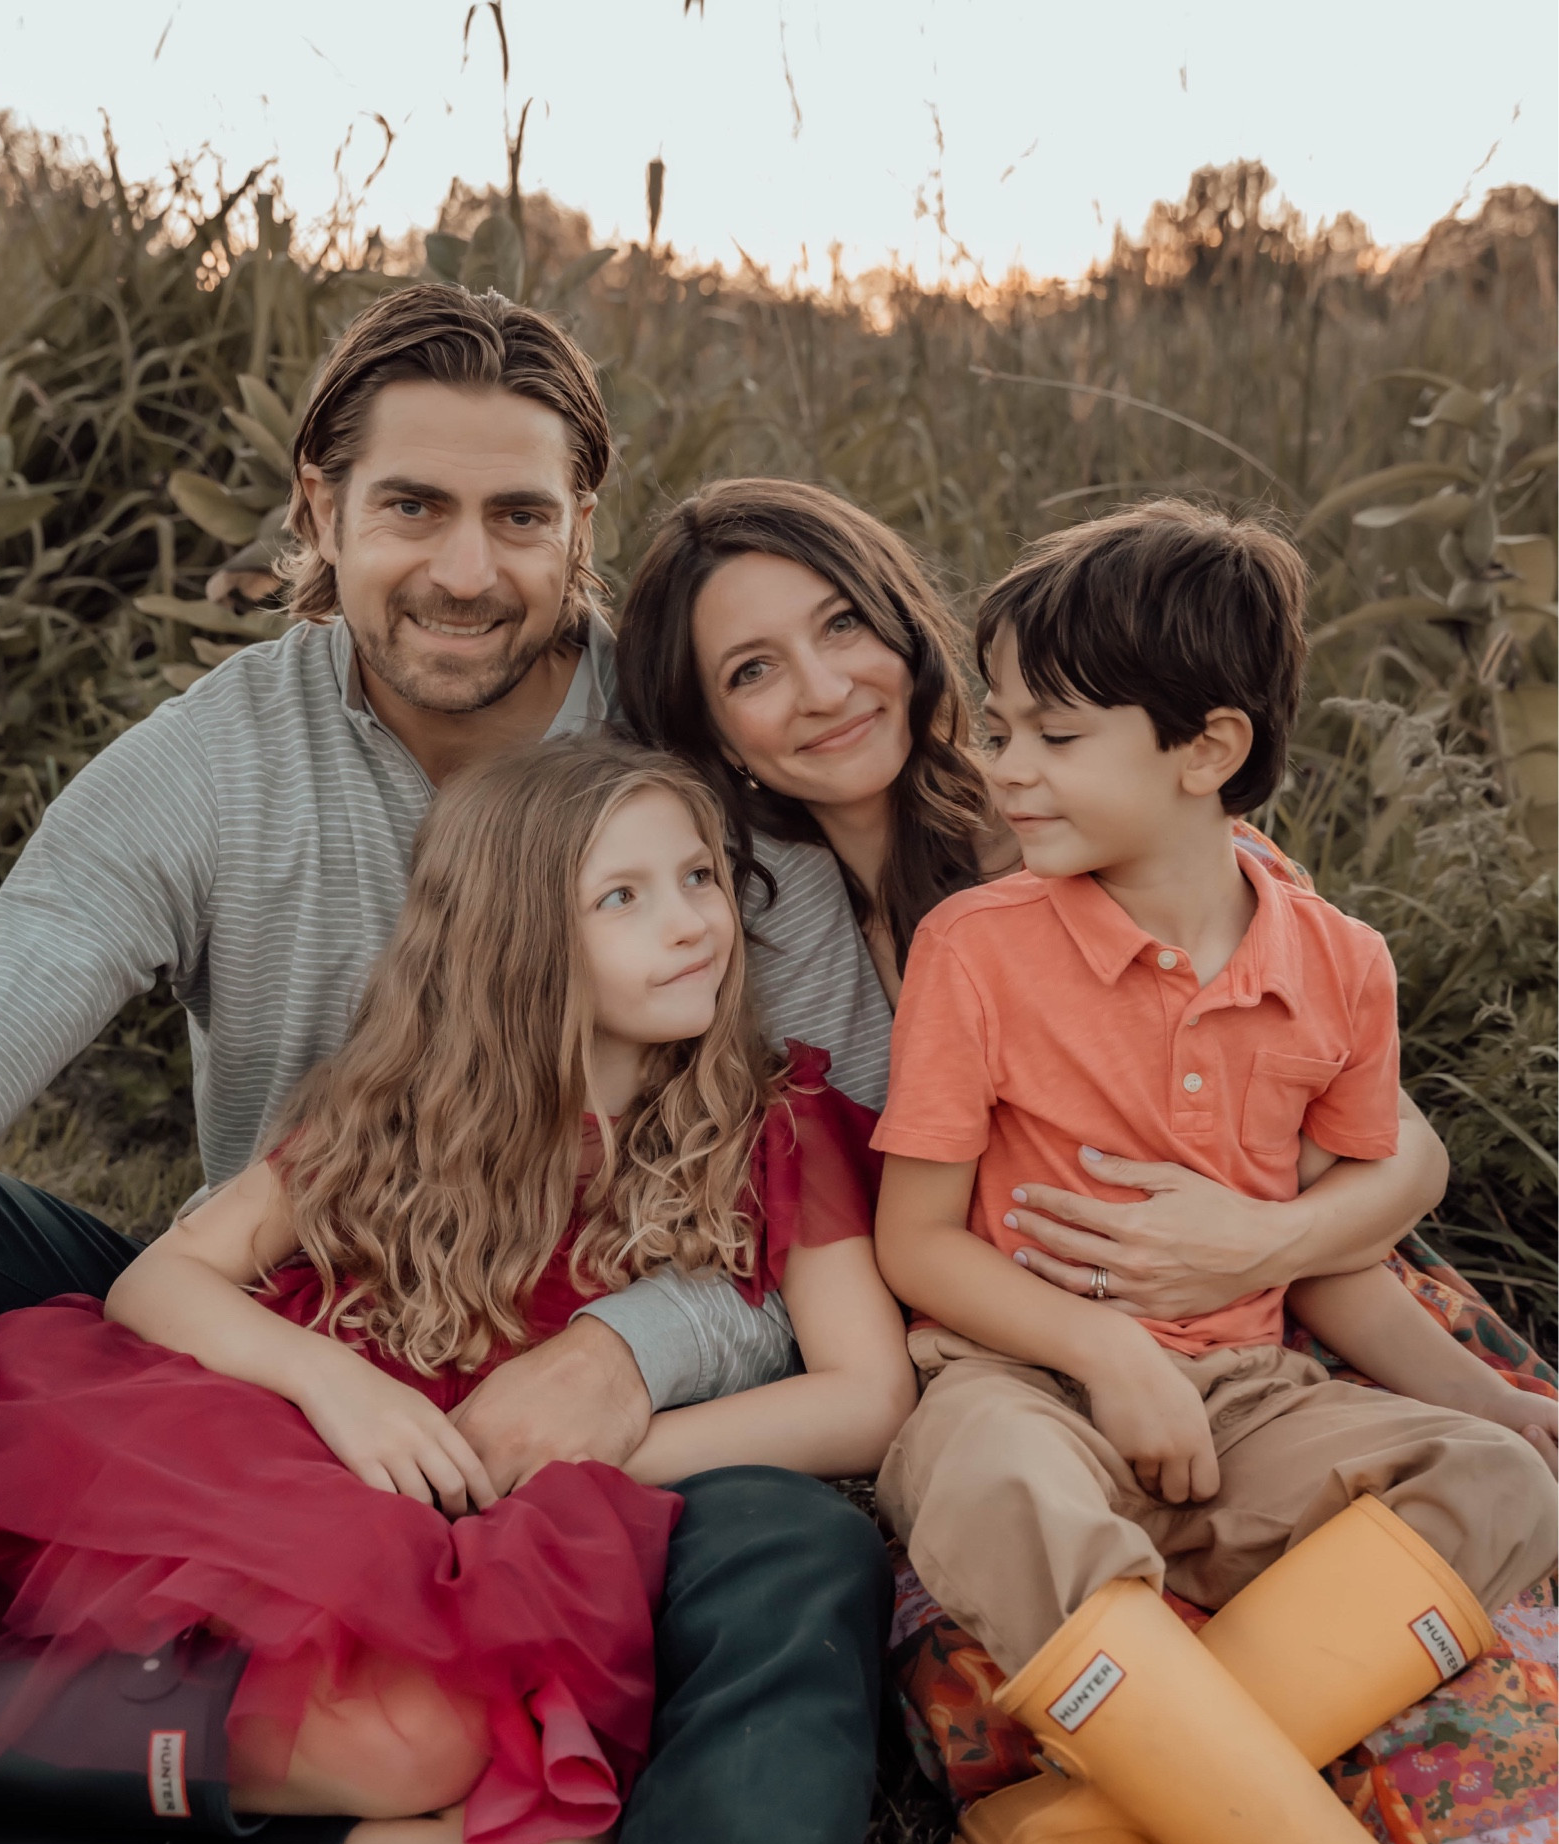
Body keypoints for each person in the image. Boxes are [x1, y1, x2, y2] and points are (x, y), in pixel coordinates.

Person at [0, 288, 896, 1844]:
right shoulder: (211, 764)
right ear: (320, 512)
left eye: (518, 515)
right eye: (411, 509)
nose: (467, 568)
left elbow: (844, 1158)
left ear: (579, 524)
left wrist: (644, 1346)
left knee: (789, 1569)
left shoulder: (688, 761)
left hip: (614, 1387)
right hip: (320, 1308)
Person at [0, 735, 914, 1844]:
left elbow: (865, 1393)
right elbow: (159, 1279)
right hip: (306, 1465)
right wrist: (332, 1381)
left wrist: (598, 1459)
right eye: (622, 895)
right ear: (516, 939)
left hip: (522, 1517)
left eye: (698, 876)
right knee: (416, 1741)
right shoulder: (392, 1106)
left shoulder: (775, 1118)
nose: (689, 922)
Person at [868, 500, 1557, 1844]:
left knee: (1497, 1485)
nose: (1004, 767)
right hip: (1019, 1376)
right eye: (998, 725)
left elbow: (1342, 1265)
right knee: (992, 1487)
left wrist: (1494, 1398)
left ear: (1206, 748)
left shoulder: (1339, 968)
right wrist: (1101, 1354)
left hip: (1247, 1393)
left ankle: (1087, 1835)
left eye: (1052, 732)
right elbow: (917, 1244)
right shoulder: (977, 950)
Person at [615, 475, 1458, 1327]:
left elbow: (1406, 1154)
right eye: (752, 670)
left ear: (902, 627)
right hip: (996, 1341)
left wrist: (1254, 1246)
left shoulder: (1098, 823)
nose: (825, 690)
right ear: (712, 732)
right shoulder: (729, 923)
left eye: (843, 623)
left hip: (1266, 1294)